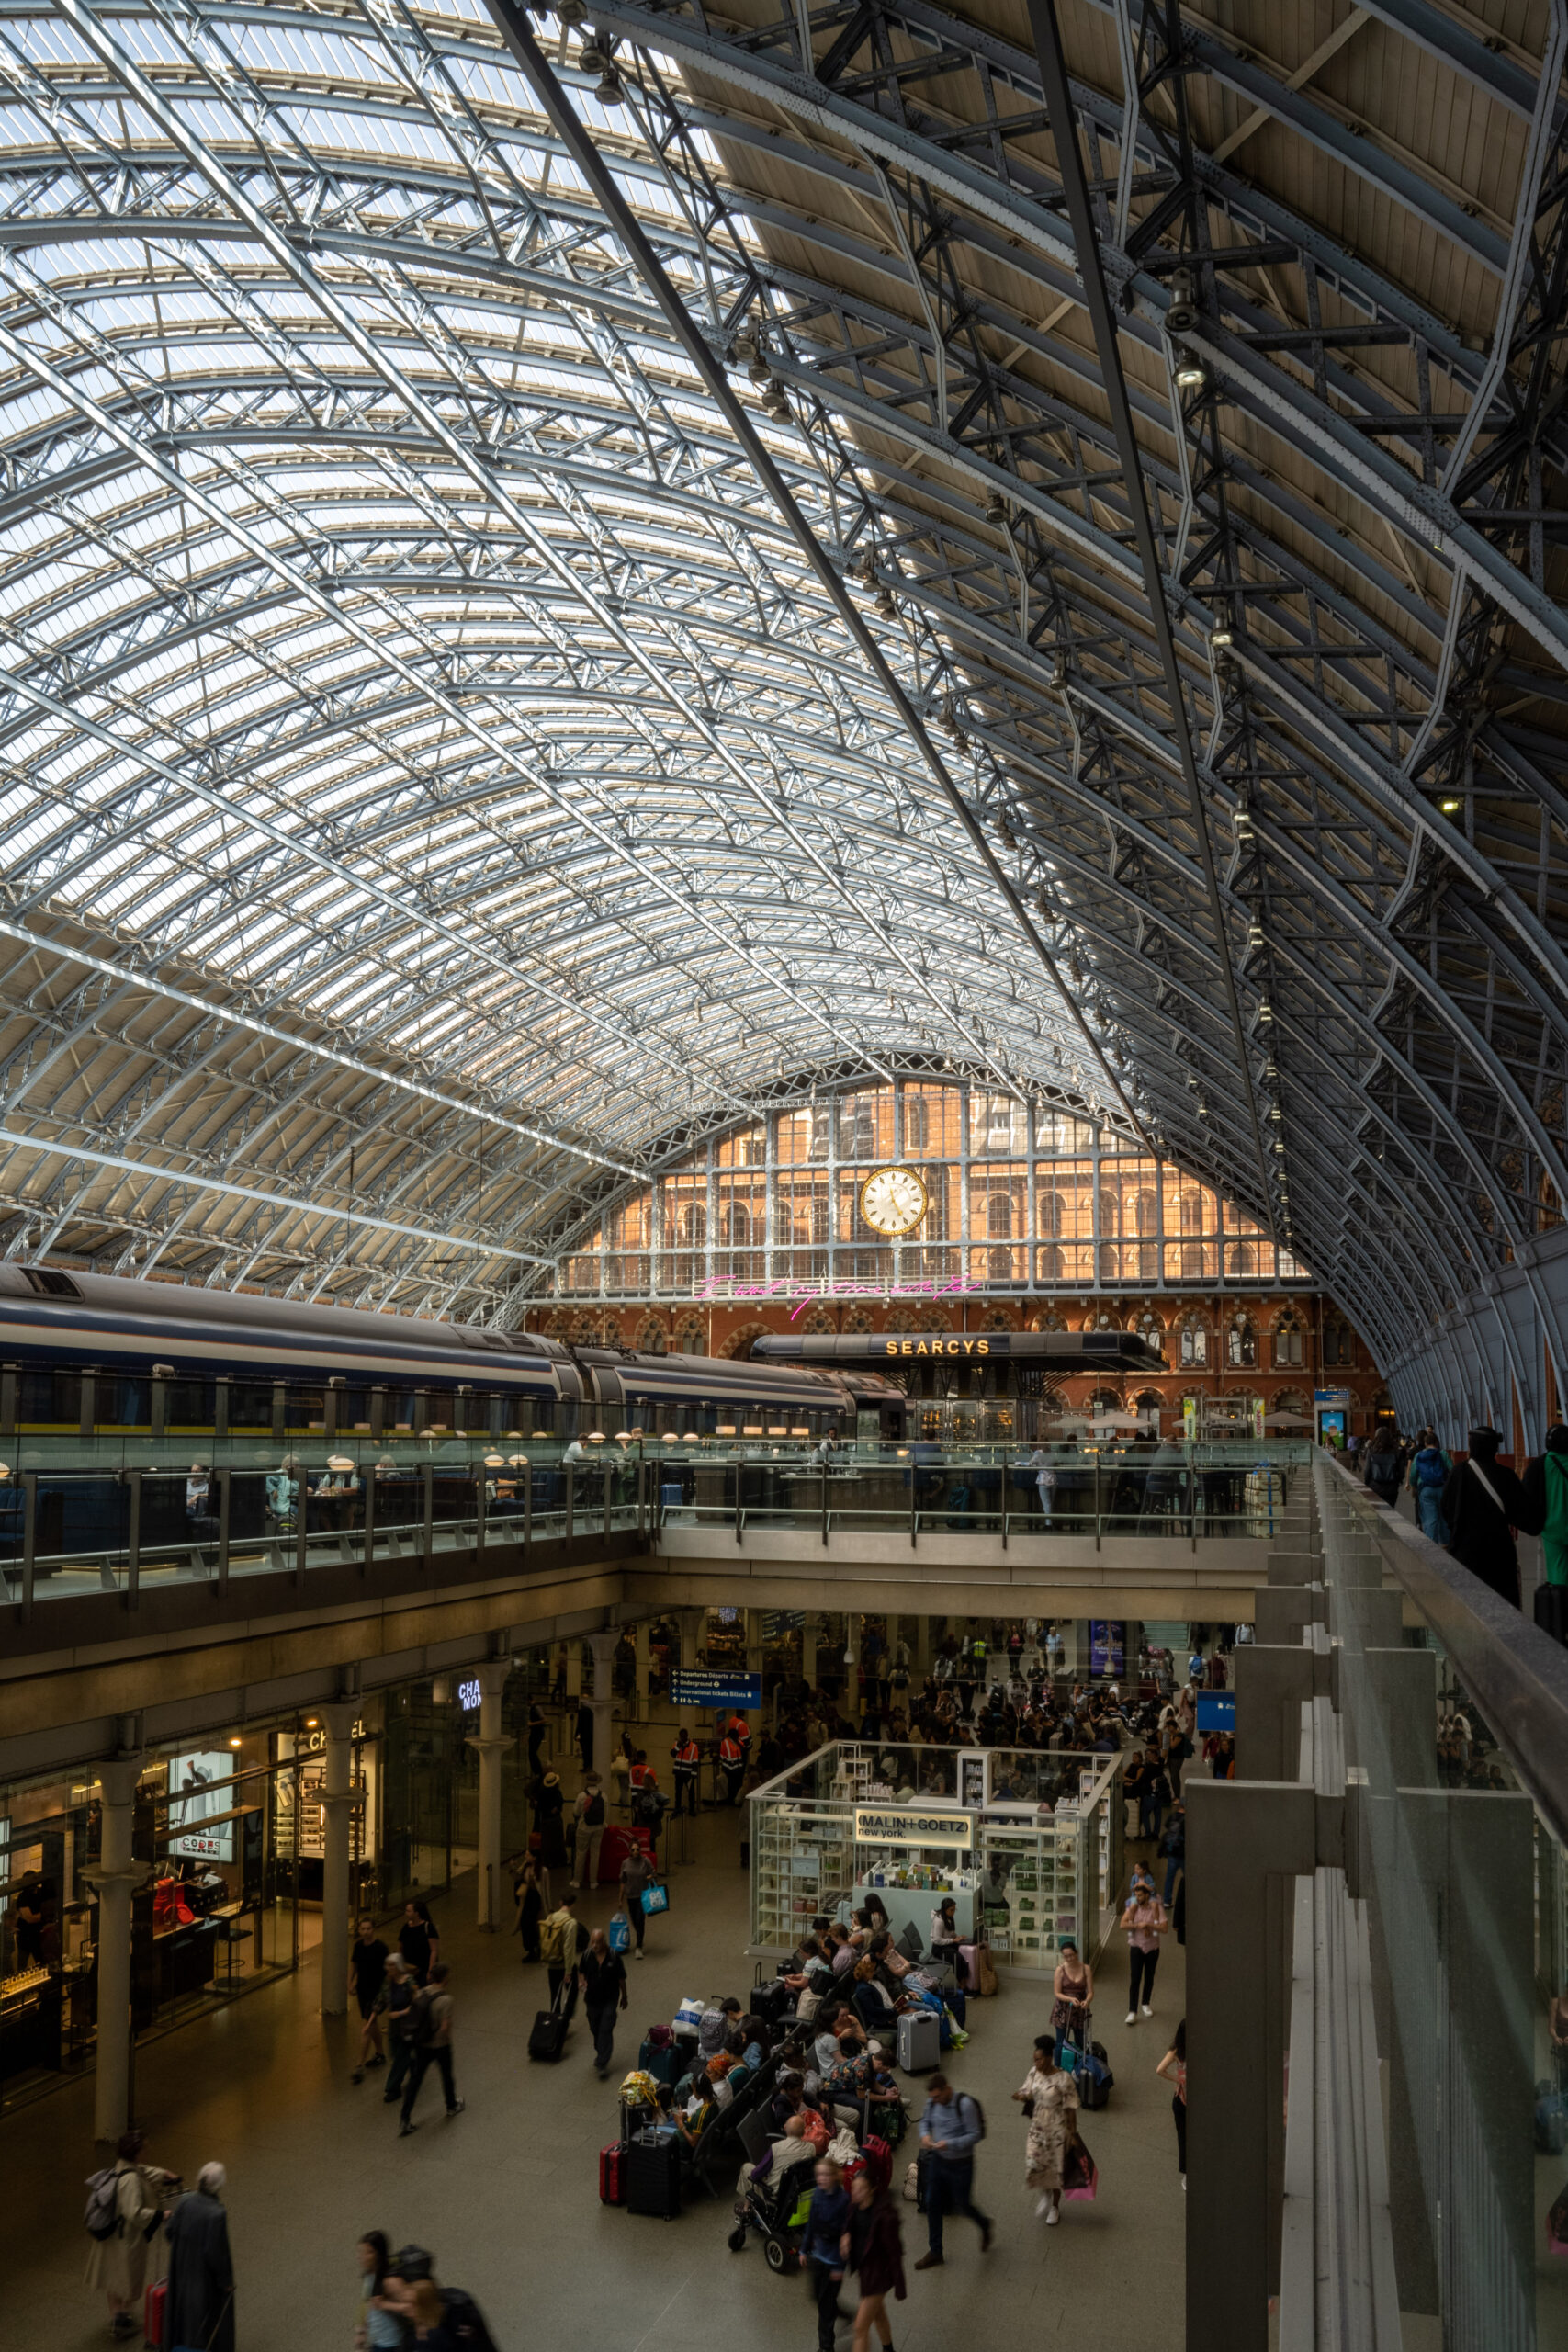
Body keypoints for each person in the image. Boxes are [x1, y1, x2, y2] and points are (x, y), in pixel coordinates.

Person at [85, 2129, 170, 2340]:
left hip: (113, 2236)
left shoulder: (122, 2167)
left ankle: (117, 2318)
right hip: (128, 2239)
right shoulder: (131, 2180)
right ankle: (122, 2319)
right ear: (137, 2152)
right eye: (145, 2148)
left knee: (113, 2278)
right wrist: (160, 2215)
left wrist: (163, 2174)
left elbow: (144, 2171)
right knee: (129, 2280)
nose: (148, 2151)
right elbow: (135, 2212)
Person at [1441, 1427, 1532, 1608]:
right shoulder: (1506, 1476)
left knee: (1469, 1608)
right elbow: (1526, 1519)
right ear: (1495, 1449)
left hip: (1465, 1552)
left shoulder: (1459, 1473)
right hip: (1499, 1556)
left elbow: (1446, 1509)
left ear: (1472, 1447)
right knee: (1502, 1608)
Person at [913, 2074, 992, 2268]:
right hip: (938, 2161)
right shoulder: (932, 2102)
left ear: (947, 2089)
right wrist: (925, 2135)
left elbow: (975, 2135)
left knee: (964, 2204)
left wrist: (950, 2144)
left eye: (937, 2096)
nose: (935, 2101)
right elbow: (925, 2122)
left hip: (961, 2165)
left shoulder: (965, 2105)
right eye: (932, 2097)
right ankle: (935, 2251)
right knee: (932, 2203)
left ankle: (984, 2224)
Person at [162, 2163, 234, 2352]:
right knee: (203, 2317)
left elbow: (170, 2232)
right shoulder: (217, 2213)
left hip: (180, 2268)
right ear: (219, 2185)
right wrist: (225, 2281)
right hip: (203, 2277)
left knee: (180, 2310)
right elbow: (217, 2253)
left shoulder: (185, 2200)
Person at [1012, 2031, 1081, 2223]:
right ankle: (1045, 2193)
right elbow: (1027, 2091)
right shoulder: (1034, 2072)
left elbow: (1071, 2108)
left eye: (1039, 2060)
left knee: (1055, 2169)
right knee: (1034, 2162)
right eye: (1034, 2059)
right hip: (1037, 2127)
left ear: (1049, 2058)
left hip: (1057, 2129)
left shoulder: (1064, 2079)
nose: (1036, 2063)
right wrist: (1020, 2096)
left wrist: (1073, 2134)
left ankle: (1054, 2207)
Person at [843, 2159, 906, 2352]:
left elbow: (895, 2252)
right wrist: (846, 2235)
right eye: (854, 2188)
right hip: (865, 2272)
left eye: (861, 2189)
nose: (855, 2193)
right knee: (878, 2314)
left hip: (879, 2276)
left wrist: (900, 2285)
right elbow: (849, 2223)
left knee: (860, 2328)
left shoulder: (885, 2217)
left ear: (872, 2190)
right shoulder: (855, 2206)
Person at [398, 1961, 464, 2134]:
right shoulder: (446, 2000)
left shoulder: (421, 1993)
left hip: (421, 2045)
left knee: (415, 2081)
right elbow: (445, 2026)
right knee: (446, 2076)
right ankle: (451, 2106)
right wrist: (446, 2039)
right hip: (440, 2045)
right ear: (446, 1977)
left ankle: (405, 2118)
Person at [801, 2154, 852, 2352]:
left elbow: (846, 2235)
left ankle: (826, 2347)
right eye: (818, 2175)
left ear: (834, 2176)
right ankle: (846, 2314)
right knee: (817, 2298)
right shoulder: (817, 2194)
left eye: (825, 2175)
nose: (821, 2179)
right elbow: (811, 2224)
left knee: (825, 2307)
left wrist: (839, 2267)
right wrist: (804, 2249)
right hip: (817, 2256)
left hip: (833, 2262)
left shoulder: (843, 2200)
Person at [578, 1923, 628, 2078]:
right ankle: (600, 2048)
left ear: (603, 1941)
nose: (595, 1945)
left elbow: (621, 1978)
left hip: (609, 1999)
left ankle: (602, 2063)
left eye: (597, 1942)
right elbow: (581, 1972)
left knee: (605, 2028)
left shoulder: (613, 1956)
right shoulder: (587, 1955)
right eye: (592, 1942)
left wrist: (624, 1996)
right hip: (592, 2000)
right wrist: (582, 1982)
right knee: (595, 2028)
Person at [349, 1916, 391, 2083]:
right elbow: (354, 1964)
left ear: (373, 1929)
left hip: (376, 1993)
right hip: (363, 1991)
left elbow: (388, 1971)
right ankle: (380, 2053)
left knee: (366, 2027)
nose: (365, 1932)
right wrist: (350, 1982)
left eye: (368, 1929)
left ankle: (359, 2065)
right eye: (363, 1929)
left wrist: (385, 1993)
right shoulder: (358, 1946)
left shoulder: (381, 1948)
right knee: (372, 2024)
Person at [1122, 1880, 1168, 2022]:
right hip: (1136, 1947)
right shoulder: (1132, 1908)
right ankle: (1132, 2011)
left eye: (1140, 1895)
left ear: (1147, 1895)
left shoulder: (1157, 1908)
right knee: (1135, 1979)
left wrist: (1149, 1925)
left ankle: (1145, 2003)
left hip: (1152, 1948)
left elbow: (1164, 1928)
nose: (1138, 1898)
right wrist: (1138, 1926)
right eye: (1136, 1895)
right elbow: (1122, 1924)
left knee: (1149, 1976)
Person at [357, 2233, 405, 2352]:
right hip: (378, 2341)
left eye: (368, 2252)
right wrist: (361, 2331)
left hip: (392, 2343)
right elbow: (366, 2304)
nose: (361, 2257)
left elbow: (412, 2308)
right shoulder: (369, 2275)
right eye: (361, 2252)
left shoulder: (391, 2281)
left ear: (378, 2254)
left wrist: (385, 2305)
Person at [541, 1887, 587, 2013]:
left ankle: (555, 2019)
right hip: (565, 1965)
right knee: (572, 1993)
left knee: (555, 1995)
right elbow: (568, 1949)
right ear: (573, 1905)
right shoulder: (571, 1923)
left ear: (560, 1903)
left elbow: (545, 1939)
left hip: (552, 1964)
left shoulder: (550, 1918)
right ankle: (565, 2018)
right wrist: (568, 1971)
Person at [379, 1955, 417, 2105]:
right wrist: (370, 2021)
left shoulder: (409, 1982)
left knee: (401, 2056)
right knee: (396, 2053)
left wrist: (400, 2013)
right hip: (394, 2025)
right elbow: (381, 1999)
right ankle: (416, 2073)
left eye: (392, 1965)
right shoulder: (388, 1982)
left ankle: (392, 2088)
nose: (389, 1968)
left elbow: (417, 2003)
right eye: (388, 1965)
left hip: (407, 2024)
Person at [1050, 1939, 1093, 2067]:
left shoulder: (1086, 1969)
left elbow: (1090, 1992)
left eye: (1071, 1955)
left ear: (1076, 1953)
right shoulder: (1060, 1970)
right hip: (1063, 2010)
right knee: (1060, 2042)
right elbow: (1057, 1993)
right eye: (1066, 1956)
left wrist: (1087, 2001)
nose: (1069, 1958)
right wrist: (1070, 1999)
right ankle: (1058, 2068)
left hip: (1080, 2009)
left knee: (1080, 2041)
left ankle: (1080, 2068)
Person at [1156, 2019, 1188, 2185]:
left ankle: (1187, 2175)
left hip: (1181, 2099)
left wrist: (1178, 2079)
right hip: (1190, 2101)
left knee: (1183, 2138)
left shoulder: (1177, 2050)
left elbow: (1160, 2069)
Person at [1407, 1430, 1453, 1543]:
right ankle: (1445, 1543)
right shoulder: (1443, 1454)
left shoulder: (1419, 1455)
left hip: (1425, 1490)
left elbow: (1413, 1474)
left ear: (1425, 1443)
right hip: (1442, 1489)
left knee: (1430, 1519)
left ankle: (1432, 1544)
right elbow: (1452, 1470)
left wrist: (1413, 1486)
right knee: (1443, 1517)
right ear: (1437, 1442)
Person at [619, 1839, 656, 1960]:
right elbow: (623, 1882)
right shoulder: (625, 1863)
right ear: (629, 1850)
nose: (635, 1852)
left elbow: (653, 1873)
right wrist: (620, 1899)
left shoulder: (645, 1861)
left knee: (640, 1919)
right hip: (631, 1896)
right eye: (633, 1850)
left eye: (637, 1849)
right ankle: (640, 1935)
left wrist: (649, 1877)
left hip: (643, 1896)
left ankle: (639, 1946)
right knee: (634, 1919)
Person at [570, 1772, 607, 1892]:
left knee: (581, 1853)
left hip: (584, 1827)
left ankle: (577, 1880)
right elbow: (606, 1813)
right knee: (595, 1854)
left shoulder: (582, 1795)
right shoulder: (603, 1796)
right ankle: (593, 1882)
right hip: (599, 1827)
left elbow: (576, 1812)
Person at [512, 1851, 544, 1962]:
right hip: (526, 1899)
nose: (526, 1856)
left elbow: (545, 1890)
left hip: (535, 1899)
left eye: (528, 1855)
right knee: (525, 1924)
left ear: (535, 1857)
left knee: (532, 1924)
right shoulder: (525, 1866)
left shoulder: (542, 1871)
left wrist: (547, 1906)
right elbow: (517, 1878)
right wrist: (513, 1867)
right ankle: (531, 1949)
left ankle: (535, 1948)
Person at [398, 1898, 438, 1982]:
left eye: (408, 1911)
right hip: (410, 1969)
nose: (406, 1913)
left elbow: (434, 1950)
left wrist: (430, 1970)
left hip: (423, 1970)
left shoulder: (428, 1927)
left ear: (416, 1913)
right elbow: (401, 1947)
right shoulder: (406, 1927)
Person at [1158, 1803, 1187, 1905]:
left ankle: (1167, 1900)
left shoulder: (1172, 1816)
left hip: (1172, 1852)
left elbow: (1166, 1826)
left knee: (1169, 1878)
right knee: (1188, 1878)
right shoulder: (1187, 1819)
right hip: (1183, 1853)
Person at [671, 1726, 700, 1815]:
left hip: (688, 1774)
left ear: (687, 1736)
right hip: (678, 1773)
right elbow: (672, 1754)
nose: (682, 1738)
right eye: (681, 1737)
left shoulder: (693, 1746)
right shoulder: (677, 1744)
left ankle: (692, 1809)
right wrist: (678, 1747)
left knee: (691, 1792)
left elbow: (695, 1761)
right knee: (678, 1792)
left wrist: (694, 1774)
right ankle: (677, 1808)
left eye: (684, 1737)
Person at [718, 1723, 746, 1804]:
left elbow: (743, 1747)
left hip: (738, 1767)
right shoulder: (725, 1742)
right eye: (735, 1736)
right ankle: (731, 1800)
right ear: (731, 1736)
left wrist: (737, 1742)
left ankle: (737, 1799)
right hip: (729, 1768)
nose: (737, 1737)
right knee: (731, 1785)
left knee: (738, 1784)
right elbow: (722, 1756)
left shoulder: (738, 1740)